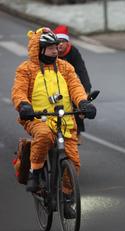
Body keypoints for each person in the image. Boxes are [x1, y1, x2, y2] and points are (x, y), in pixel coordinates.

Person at [11, 27, 96, 216]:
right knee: (43, 135)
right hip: (35, 117)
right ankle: (34, 172)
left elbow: (75, 85)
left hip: (64, 119)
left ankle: (66, 199)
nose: (55, 51)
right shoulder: (26, 69)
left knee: (73, 161)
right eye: (50, 48)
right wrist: (24, 105)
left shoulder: (65, 67)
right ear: (40, 50)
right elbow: (18, 91)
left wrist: (83, 102)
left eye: (56, 48)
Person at [53, 25, 92, 143]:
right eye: (58, 42)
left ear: (67, 43)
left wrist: (86, 89)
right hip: (52, 86)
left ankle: (76, 135)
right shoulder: (50, 52)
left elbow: (81, 70)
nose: (60, 44)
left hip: (70, 85)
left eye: (63, 41)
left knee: (77, 108)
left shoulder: (73, 52)